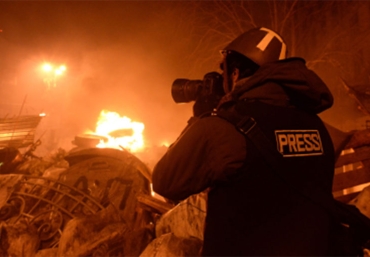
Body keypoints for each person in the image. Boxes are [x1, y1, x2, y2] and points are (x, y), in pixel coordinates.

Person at [152, 27, 336, 256]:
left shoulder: (222, 128)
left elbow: (165, 181)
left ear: (236, 74)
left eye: (225, 71)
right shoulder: (317, 126)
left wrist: (200, 118)